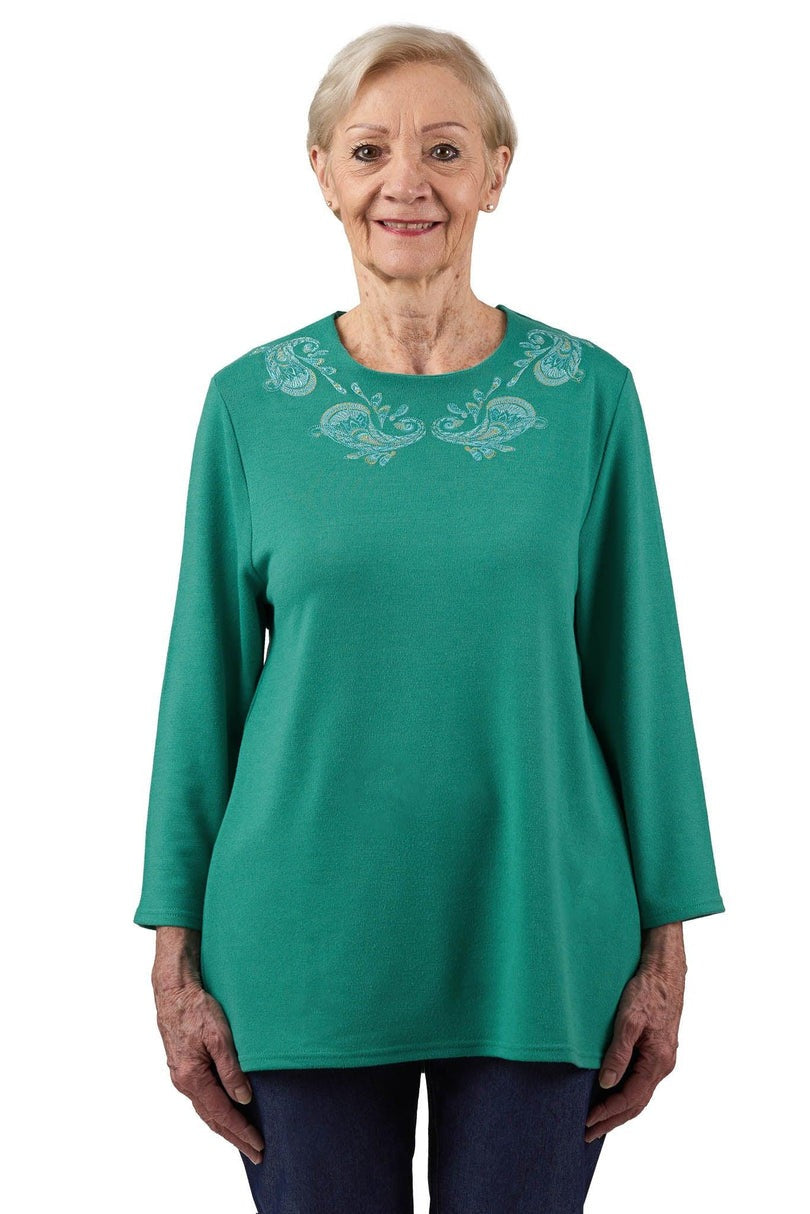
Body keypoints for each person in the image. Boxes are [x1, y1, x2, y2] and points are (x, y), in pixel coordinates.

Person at [133, 22, 726, 1213]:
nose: (406, 182)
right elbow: (204, 687)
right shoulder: (250, 405)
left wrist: (669, 940)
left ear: (497, 172)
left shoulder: (589, 399)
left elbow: (641, 676)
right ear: (322, 174)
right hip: (299, 944)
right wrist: (174, 951)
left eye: (445, 149)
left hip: (541, 933)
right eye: (369, 151)